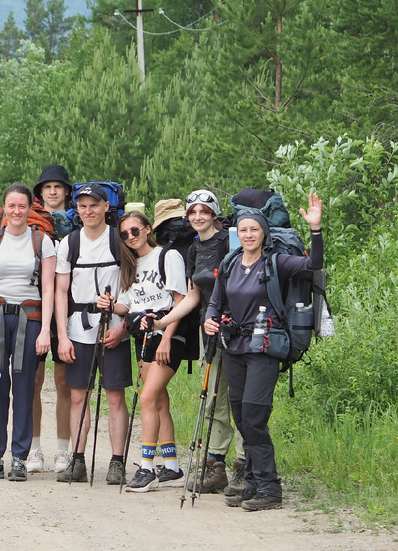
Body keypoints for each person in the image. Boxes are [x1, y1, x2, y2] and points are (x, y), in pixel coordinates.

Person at [204, 195, 323, 512]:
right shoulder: (229, 262)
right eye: (243, 230)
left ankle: (270, 487)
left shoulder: (276, 262)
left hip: (265, 347)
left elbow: (314, 264)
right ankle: (254, 482)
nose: (248, 235)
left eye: (254, 229)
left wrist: (316, 229)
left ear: (264, 232)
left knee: (255, 418)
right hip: (234, 347)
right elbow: (216, 302)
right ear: (237, 233)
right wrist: (209, 320)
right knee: (243, 418)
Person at [0, 183, 57, 481]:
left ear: (30, 208)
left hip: (29, 319)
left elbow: (48, 289)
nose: (16, 211)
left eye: (22, 206)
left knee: (25, 388)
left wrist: (46, 331)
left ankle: (19, 456)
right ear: (3, 208)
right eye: (11, 206)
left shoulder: (42, 241)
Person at [55, 182, 136, 485]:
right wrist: (62, 336)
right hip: (79, 329)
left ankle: (117, 462)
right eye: (83, 205)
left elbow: (133, 285)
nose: (88, 211)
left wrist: (124, 325)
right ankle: (77, 460)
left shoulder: (119, 240)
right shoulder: (69, 243)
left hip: (114, 327)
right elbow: (61, 293)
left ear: (106, 207)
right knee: (79, 397)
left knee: (115, 397)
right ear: (76, 208)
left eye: (94, 205)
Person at [110, 210, 193, 491]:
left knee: (146, 398)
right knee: (157, 401)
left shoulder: (167, 256)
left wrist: (168, 337)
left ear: (147, 229)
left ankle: (146, 467)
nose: (130, 237)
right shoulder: (130, 265)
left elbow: (180, 300)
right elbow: (125, 304)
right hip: (143, 336)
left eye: (135, 230)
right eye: (124, 234)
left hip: (169, 334)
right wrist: (108, 305)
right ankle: (171, 467)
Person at [179, 189, 240, 493]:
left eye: (204, 211)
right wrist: (163, 323)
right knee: (214, 397)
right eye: (193, 212)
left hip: (238, 327)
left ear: (215, 213)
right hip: (209, 329)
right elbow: (194, 295)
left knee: (240, 396)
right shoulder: (193, 249)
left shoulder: (230, 240)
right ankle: (217, 465)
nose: (198, 217)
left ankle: (245, 463)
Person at [32, 164, 74, 473]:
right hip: (34, 306)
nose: (53, 190)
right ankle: (34, 449)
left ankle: (63, 449)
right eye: (47, 186)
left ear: (66, 191)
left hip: (68, 308)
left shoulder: (79, 223)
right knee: (33, 382)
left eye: (58, 186)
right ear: (40, 192)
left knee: (63, 382)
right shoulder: (30, 223)